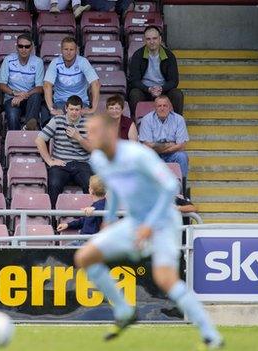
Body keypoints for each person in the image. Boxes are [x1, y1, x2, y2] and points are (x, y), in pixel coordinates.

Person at [73, 114, 223, 349]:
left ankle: (211, 336)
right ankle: (124, 310)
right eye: (88, 132)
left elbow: (170, 187)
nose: (89, 136)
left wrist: (149, 225)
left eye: (94, 131)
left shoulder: (137, 155)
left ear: (111, 132)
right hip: (134, 222)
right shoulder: (98, 160)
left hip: (163, 220)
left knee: (165, 279)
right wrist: (110, 219)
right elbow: (113, 187)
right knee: (85, 257)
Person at [35, 95, 93, 208]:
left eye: (77, 109)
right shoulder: (57, 120)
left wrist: (78, 137)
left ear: (81, 110)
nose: (74, 112)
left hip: (82, 164)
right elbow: (39, 140)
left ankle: (89, 219)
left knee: (91, 185)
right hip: (61, 163)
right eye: (71, 109)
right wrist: (49, 161)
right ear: (66, 108)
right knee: (54, 184)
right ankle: (52, 219)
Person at [41, 37, 100, 127]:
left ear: (76, 50)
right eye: (66, 49)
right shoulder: (55, 62)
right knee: (55, 122)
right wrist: (51, 108)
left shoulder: (83, 62)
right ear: (61, 50)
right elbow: (47, 85)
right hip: (61, 102)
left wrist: (93, 108)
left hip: (80, 101)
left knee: (90, 124)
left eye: (71, 49)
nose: (68, 52)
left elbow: (95, 83)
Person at [128, 25, 184, 116]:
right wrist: (148, 89)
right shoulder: (137, 55)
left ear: (160, 39)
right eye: (148, 39)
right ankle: (134, 124)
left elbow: (174, 81)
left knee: (177, 94)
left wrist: (162, 88)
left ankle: (177, 123)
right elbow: (134, 80)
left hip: (163, 90)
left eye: (155, 38)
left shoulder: (169, 56)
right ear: (144, 40)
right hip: (145, 90)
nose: (152, 42)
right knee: (134, 94)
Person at [0, 34, 44, 131]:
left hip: (30, 99)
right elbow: (0, 84)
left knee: (36, 96)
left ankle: (28, 128)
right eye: (20, 46)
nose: (23, 49)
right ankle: (15, 140)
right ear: (16, 47)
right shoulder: (8, 60)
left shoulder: (38, 62)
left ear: (31, 48)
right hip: (12, 98)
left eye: (27, 46)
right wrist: (15, 93)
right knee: (13, 115)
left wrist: (23, 96)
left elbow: (40, 88)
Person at [139, 95, 190, 180]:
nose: (162, 108)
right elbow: (147, 146)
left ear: (170, 107)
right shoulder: (146, 119)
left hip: (172, 154)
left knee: (182, 156)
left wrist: (156, 146)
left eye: (165, 106)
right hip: (154, 154)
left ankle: (182, 185)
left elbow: (181, 146)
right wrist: (170, 144)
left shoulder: (179, 119)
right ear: (155, 108)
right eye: (159, 106)